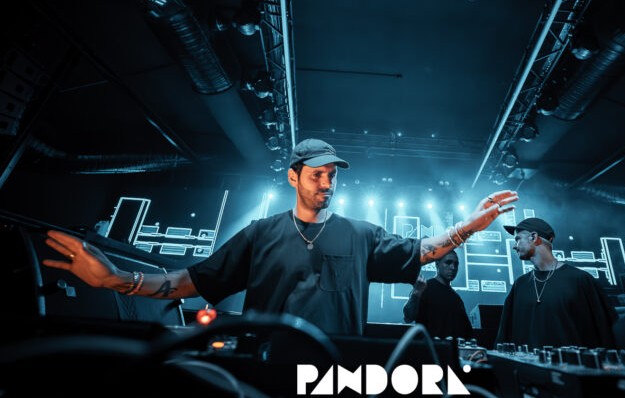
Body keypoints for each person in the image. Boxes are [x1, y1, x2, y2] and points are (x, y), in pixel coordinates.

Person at [43, 138, 518, 335]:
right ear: (293, 177)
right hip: (265, 370)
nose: (327, 183)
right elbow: (191, 281)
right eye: (316, 174)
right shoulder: (260, 234)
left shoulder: (360, 234)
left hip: (334, 377)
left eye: (333, 175)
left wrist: (467, 226)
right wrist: (116, 280)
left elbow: (423, 251)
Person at [495, 217, 617, 348]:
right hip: (527, 361)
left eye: (518, 239)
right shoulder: (520, 285)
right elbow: (504, 336)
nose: (514, 246)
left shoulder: (580, 280)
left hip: (571, 361)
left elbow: (606, 331)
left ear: (533, 237)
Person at [402, 250, 473, 339]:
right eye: (448, 262)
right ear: (437, 264)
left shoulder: (457, 298)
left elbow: (467, 333)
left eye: (456, 264)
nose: (453, 267)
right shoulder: (424, 288)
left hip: (451, 347)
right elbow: (408, 317)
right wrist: (416, 293)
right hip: (430, 347)